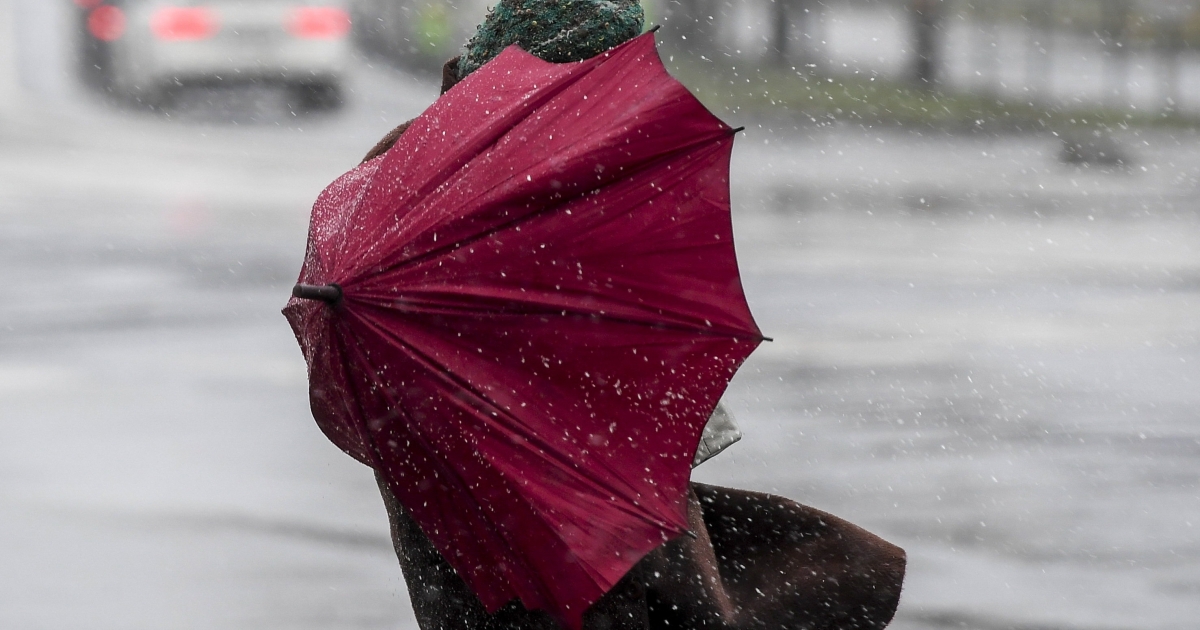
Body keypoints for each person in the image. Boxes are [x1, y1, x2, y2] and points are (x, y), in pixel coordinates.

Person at [360, 2, 906, 627]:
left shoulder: (410, 165)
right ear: (575, 77)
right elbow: (637, 394)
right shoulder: (564, 181)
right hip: (577, 533)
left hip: (461, 534)